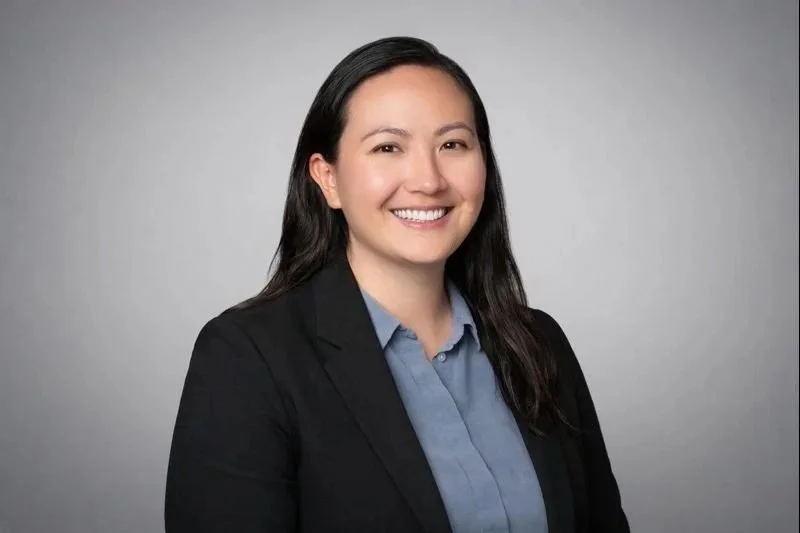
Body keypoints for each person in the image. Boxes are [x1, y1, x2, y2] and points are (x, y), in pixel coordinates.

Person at [164, 36, 629, 533]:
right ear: (328, 179)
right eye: (388, 147)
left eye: (453, 145)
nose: (428, 180)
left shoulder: (539, 343)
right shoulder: (248, 356)